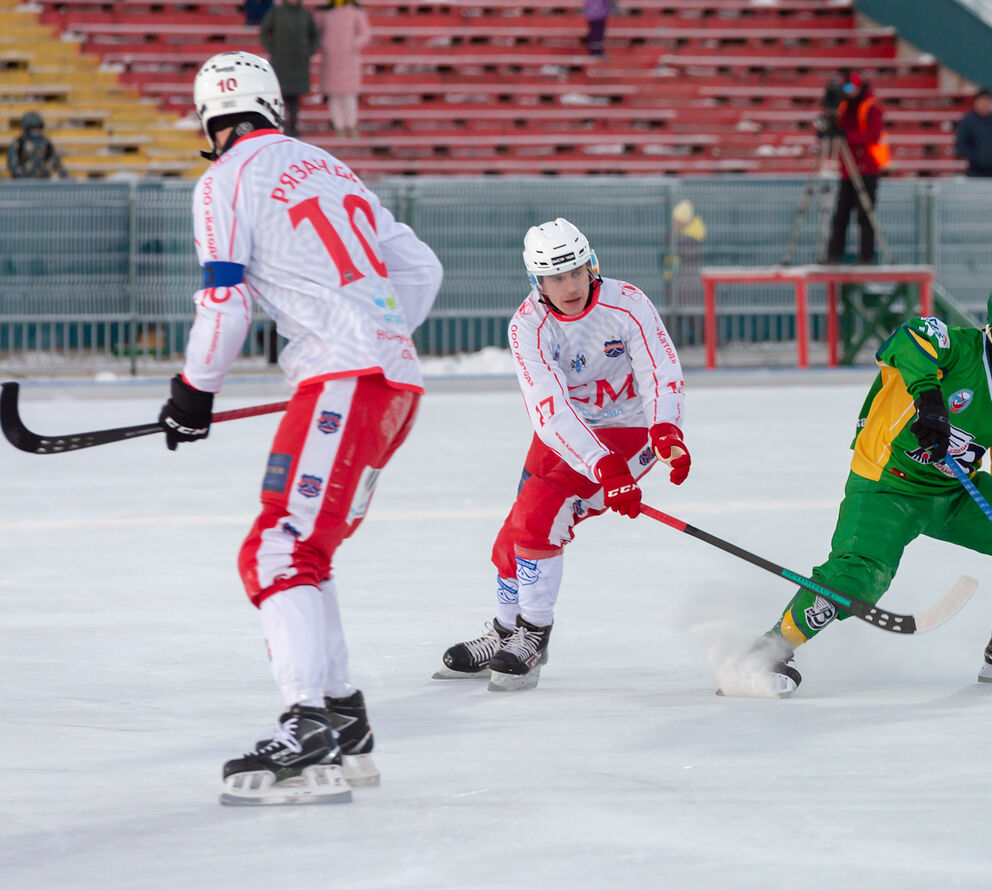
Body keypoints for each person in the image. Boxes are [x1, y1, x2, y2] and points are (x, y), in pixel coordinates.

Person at [169, 51, 442, 804]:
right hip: (391, 385)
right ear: (273, 108)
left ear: (210, 122)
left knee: (276, 548)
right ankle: (342, 717)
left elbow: (225, 302)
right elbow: (421, 271)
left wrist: (193, 392)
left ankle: (306, 725)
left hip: (343, 382)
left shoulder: (224, 180)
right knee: (306, 551)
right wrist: (376, 336)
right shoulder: (328, 166)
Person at [734, 271, 992, 698]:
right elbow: (909, 338)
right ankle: (769, 650)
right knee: (860, 577)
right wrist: (928, 398)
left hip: (954, 493)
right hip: (887, 485)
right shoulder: (955, 348)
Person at [433, 217, 689, 691]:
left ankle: (534, 633)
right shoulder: (528, 325)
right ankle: (506, 630)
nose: (569, 286)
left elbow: (661, 372)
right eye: (555, 278)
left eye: (576, 272)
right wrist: (601, 464)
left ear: (592, 265)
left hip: (631, 430)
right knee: (514, 533)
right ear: (537, 282)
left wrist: (667, 429)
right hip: (569, 432)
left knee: (539, 516)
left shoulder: (628, 303)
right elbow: (549, 410)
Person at [824, 72, 888, 265]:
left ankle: (867, 256)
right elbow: (836, 129)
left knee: (865, 215)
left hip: (867, 170)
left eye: (850, 88)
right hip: (847, 170)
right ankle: (834, 255)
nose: (847, 92)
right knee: (841, 214)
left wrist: (847, 135)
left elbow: (873, 135)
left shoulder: (871, 107)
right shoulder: (844, 107)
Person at [260, 0, 319, 137]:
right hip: (281, 62)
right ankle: (281, 125)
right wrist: (273, 50)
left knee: (295, 98)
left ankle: (293, 125)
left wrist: (308, 52)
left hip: (299, 63)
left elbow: (315, 36)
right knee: (280, 96)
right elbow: (264, 33)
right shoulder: (276, 13)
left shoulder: (305, 14)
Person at [317, 0, 371, 139]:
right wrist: (326, 44)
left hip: (349, 59)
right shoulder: (325, 13)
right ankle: (339, 126)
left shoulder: (354, 12)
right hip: (331, 59)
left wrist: (353, 44)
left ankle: (351, 125)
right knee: (334, 96)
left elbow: (365, 33)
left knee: (349, 95)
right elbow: (317, 32)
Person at [953, 87, 992, 178]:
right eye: (982, 101)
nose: (985, 104)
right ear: (976, 102)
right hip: (976, 173)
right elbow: (961, 144)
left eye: (988, 101)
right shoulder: (968, 122)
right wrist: (976, 157)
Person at [7, 111, 67, 179]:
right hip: (24, 180)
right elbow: (12, 161)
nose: (36, 130)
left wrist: (61, 172)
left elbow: (54, 160)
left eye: (38, 127)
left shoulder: (46, 143)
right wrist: (19, 174)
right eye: (33, 127)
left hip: (42, 180)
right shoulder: (20, 142)